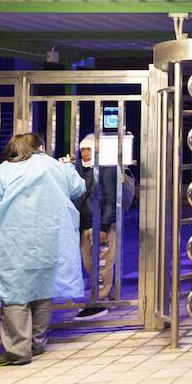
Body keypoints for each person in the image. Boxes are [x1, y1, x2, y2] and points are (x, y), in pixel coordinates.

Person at [0, 133, 87, 366]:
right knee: (43, 288)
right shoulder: (55, 167)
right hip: (50, 239)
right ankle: (36, 343)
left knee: (13, 292)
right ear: (40, 146)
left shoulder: (4, 170)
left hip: (13, 240)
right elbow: (78, 188)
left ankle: (18, 350)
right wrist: (68, 167)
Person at [73, 133, 118, 319]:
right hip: (84, 225)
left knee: (102, 264)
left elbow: (110, 199)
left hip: (99, 225)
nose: (85, 153)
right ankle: (106, 296)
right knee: (90, 264)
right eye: (82, 149)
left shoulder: (106, 169)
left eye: (88, 149)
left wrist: (104, 226)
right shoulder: (79, 170)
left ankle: (99, 301)